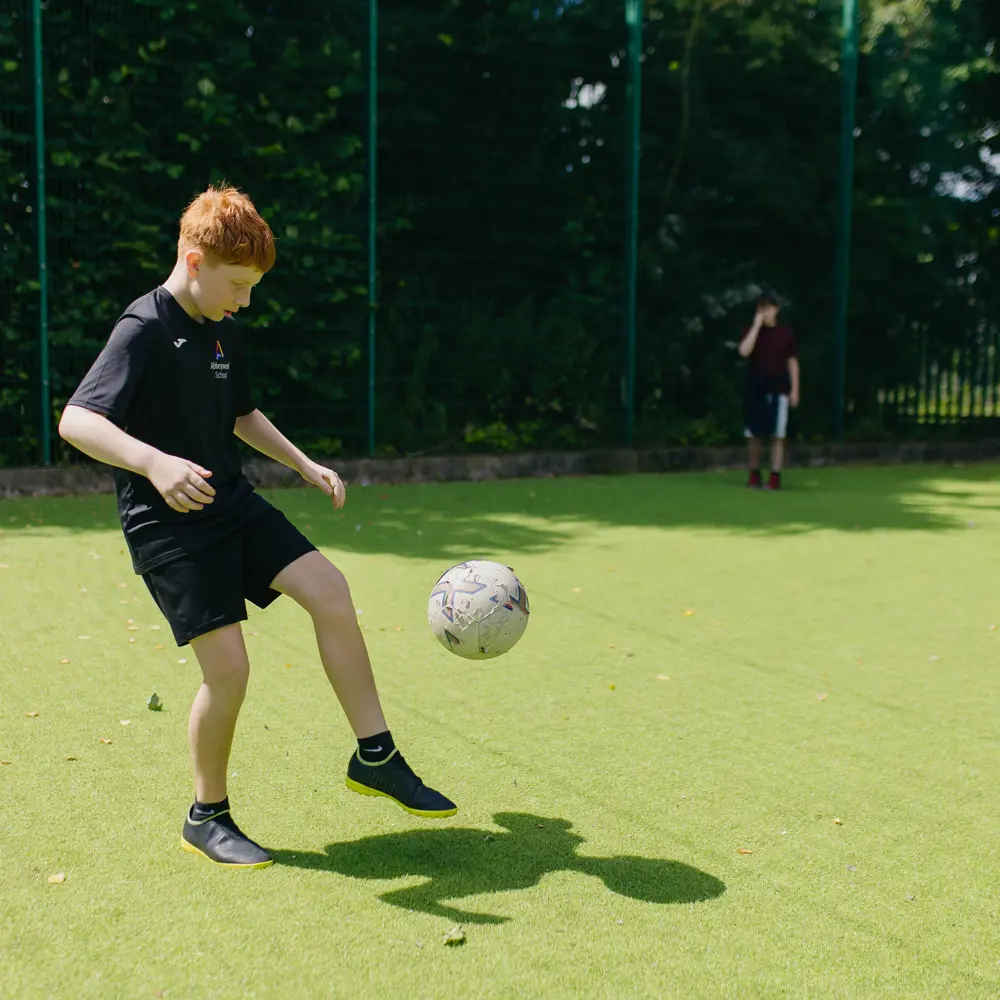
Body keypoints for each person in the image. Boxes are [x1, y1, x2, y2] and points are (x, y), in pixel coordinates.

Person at [58, 184, 456, 870]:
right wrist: (153, 463)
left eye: (251, 287)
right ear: (193, 260)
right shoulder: (144, 328)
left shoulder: (222, 328)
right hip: (171, 525)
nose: (244, 300)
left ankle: (376, 756)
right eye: (237, 284)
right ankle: (206, 816)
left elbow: (241, 415)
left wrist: (302, 463)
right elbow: (78, 420)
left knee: (329, 590)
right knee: (231, 671)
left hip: (231, 503)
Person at [737, 292, 800, 490]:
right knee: (754, 434)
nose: (764, 312)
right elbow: (744, 351)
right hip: (756, 388)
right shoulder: (750, 331)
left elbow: (792, 361)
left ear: (776, 309)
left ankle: (775, 475)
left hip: (778, 388)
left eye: (768, 308)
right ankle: (754, 473)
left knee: (777, 434)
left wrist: (795, 390)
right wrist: (755, 326)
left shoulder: (785, 333)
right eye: (761, 308)